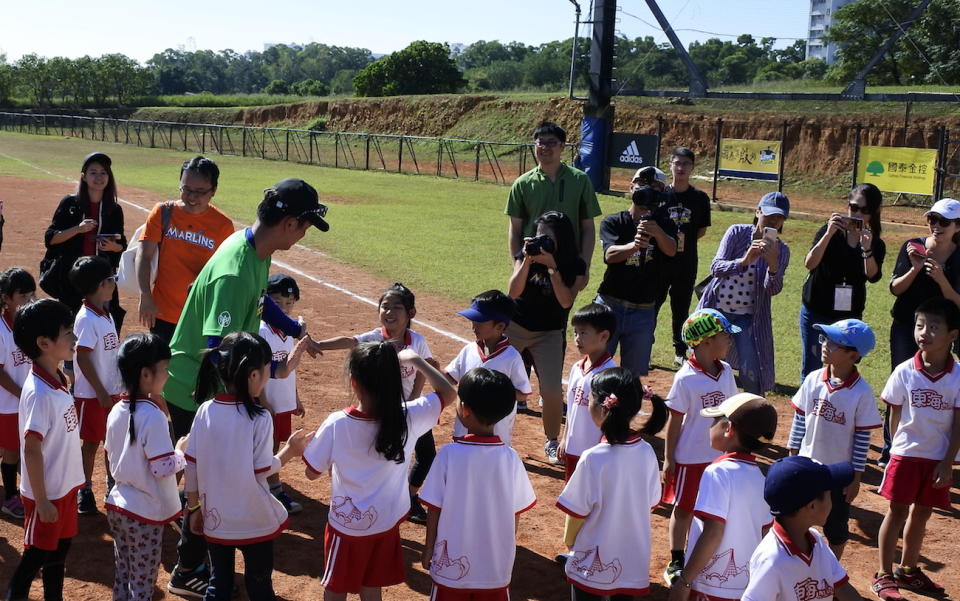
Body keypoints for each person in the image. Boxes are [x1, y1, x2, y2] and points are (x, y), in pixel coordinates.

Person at [163, 178, 327, 598]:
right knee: (208, 475)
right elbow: (214, 347)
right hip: (196, 387)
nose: (306, 233)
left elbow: (260, 301)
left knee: (217, 472)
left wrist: (292, 329)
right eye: (306, 225)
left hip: (223, 382)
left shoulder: (254, 250)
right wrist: (261, 377)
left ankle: (201, 555)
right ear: (289, 223)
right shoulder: (235, 270)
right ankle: (187, 567)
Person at [303, 343, 457, 601]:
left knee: (336, 588)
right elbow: (448, 393)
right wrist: (418, 361)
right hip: (385, 523)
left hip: (347, 527)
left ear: (354, 382)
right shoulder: (409, 416)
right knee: (371, 586)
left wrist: (299, 449)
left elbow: (311, 473)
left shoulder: (337, 423)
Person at [184, 332, 309, 601]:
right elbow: (263, 469)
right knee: (260, 586)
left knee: (219, 585)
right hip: (254, 520)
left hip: (215, 518)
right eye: (267, 370)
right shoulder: (260, 417)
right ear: (253, 375)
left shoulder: (205, 410)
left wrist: (194, 508)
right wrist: (291, 450)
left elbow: (191, 466)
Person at [312, 283, 439, 523]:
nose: (389, 312)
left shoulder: (417, 341)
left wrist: (413, 400)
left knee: (427, 455)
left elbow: (426, 366)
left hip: (409, 410)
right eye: (384, 307)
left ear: (410, 313)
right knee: (383, 455)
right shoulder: (372, 338)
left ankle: (410, 497)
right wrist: (319, 344)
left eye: (396, 308)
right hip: (379, 412)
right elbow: (350, 342)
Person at [419, 367, 537, 601]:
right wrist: (506, 553)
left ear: (465, 409)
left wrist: (429, 546)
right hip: (494, 568)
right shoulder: (510, 457)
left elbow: (434, 508)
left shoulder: (448, 454)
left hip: (449, 566)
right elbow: (516, 513)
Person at [872, 297, 960, 600]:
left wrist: (948, 462)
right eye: (920, 325)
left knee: (922, 514)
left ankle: (907, 570)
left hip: (937, 458)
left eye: (934, 326)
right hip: (906, 455)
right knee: (896, 512)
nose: (924, 332)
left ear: (952, 335)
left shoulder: (958, 376)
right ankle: (883, 574)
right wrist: (897, 448)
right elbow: (894, 414)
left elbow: (958, 423)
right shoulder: (904, 371)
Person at [556, 368, 668, 601]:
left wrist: (570, 544)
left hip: (591, 556)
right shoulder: (647, 452)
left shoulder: (593, 457)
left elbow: (576, 513)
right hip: (631, 559)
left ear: (602, 407)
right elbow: (651, 502)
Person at [5, 299, 84, 601]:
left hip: (64, 488)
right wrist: (41, 500)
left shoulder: (57, 377)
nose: (74, 338)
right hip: (47, 495)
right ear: (44, 343)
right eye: (68, 333)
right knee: (35, 557)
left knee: (59, 551)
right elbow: (31, 450)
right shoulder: (39, 393)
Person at [667, 393, 778, 601]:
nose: (710, 426)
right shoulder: (761, 476)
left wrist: (685, 581)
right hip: (745, 586)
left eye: (715, 420)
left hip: (710, 586)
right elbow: (764, 533)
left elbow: (714, 532)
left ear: (729, 429)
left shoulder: (717, 472)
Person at [787, 319, 880, 560]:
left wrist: (856, 477)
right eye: (825, 339)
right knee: (797, 519)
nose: (825, 345)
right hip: (807, 467)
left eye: (835, 343)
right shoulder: (813, 379)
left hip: (838, 476)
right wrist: (792, 454)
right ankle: (796, 568)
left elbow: (862, 438)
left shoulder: (861, 392)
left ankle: (829, 574)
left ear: (853, 355)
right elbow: (800, 418)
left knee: (835, 528)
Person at [661, 309, 741, 586]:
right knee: (684, 509)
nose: (729, 341)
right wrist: (669, 458)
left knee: (715, 509)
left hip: (720, 457)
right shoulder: (685, 378)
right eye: (724, 336)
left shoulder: (726, 371)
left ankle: (707, 555)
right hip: (690, 457)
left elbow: (732, 412)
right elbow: (675, 422)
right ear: (706, 342)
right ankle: (676, 559)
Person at [104, 333, 185, 601]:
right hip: (144, 514)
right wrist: (181, 453)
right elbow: (162, 468)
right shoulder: (152, 416)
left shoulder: (116, 410)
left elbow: (109, 453)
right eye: (165, 369)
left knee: (124, 574)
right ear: (145, 375)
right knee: (142, 584)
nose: (168, 375)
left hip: (118, 505)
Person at [883, 198, 960, 465]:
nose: (936, 226)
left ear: (957, 227)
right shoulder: (912, 247)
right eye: (932, 219)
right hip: (906, 327)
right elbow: (895, 289)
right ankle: (891, 447)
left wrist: (941, 279)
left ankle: (933, 449)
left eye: (944, 222)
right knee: (902, 384)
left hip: (942, 333)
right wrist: (915, 269)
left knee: (934, 390)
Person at [507, 210, 588, 464]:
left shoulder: (574, 264)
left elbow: (566, 301)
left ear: (562, 239)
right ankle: (490, 432)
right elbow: (513, 292)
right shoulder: (527, 255)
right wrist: (528, 261)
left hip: (549, 333)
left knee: (552, 390)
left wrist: (552, 267)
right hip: (516, 326)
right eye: (539, 235)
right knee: (498, 381)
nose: (542, 241)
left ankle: (552, 440)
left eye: (548, 237)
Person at [696, 192, 791, 394]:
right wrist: (744, 261)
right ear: (757, 212)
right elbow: (716, 268)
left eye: (779, 217)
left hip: (748, 319)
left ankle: (754, 413)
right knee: (705, 363)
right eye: (769, 215)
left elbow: (773, 289)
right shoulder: (737, 232)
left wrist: (773, 266)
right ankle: (700, 402)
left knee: (751, 371)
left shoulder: (782, 250)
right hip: (716, 312)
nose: (773, 220)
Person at [136, 156, 235, 343]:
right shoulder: (163, 212)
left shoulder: (223, 226)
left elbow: (223, 274)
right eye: (186, 189)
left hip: (200, 316)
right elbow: (143, 255)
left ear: (213, 190)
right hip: (163, 312)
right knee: (161, 369)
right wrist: (145, 296)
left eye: (200, 192)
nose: (191, 197)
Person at [742, 456, 862, 601]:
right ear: (812, 506)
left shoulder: (816, 541)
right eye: (829, 495)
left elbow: (842, 588)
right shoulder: (771, 560)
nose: (833, 501)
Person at [800, 183, 886, 378]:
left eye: (864, 210)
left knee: (843, 369)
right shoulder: (828, 231)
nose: (857, 214)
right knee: (812, 367)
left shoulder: (874, 243)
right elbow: (809, 263)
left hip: (848, 317)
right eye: (853, 207)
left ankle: (838, 407)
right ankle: (806, 408)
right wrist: (829, 233)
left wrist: (866, 249)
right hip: (817, 308)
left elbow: (872, 276)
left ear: (873, 213)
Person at [595, 185, 677, 377]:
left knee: (633, 375)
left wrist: (658, 233)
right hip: (611, 305)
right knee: (597, 367)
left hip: (644, 309)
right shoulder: (614, 221)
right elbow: (610, 255)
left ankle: (625, 406)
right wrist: (635, 245)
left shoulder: (663, 223)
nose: (646, 209)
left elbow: (672, 250)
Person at [41, 152, 127, 330]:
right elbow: (51, 239)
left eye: (104, 172)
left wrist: (114, 246)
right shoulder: (70, 204)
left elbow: (122, 245)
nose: (99, 177)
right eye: (93, 172)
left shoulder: (114, 209)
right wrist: (78, 229)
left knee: (106, 328)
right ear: (84, 176)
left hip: (103, 279)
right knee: (72, 331)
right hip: (73, 279)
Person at [505, 121, 602, 273]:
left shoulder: (580, 180)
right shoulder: (522, 183)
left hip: (568, 261)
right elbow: (515, 230)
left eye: (551, 142)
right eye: (540, 142)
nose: (545, 147)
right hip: (532, 260)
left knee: (564, 297)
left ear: (562, 146)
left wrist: (585, 265)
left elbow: (588, 228)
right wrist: (517, 266)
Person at [69, 256, 124, 515]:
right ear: (101, 284)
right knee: (91, 444)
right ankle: (85, 489)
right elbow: (82, 356)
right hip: (92, 395)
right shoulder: (87, 319)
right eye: (112, 280)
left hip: (110, 391)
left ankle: (112, 484)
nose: (115, 284)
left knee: (111, 441)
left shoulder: (104, 313)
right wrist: (101, 391)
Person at [444, 290, 532, 446]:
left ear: (499, 326)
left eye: (479, 322)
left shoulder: (511, 357)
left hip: (496, 437)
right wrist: (426, 368)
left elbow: (523, 394)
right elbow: (449, 377)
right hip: (463, 432)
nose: (473, 327)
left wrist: (491, 396)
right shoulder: (469, 350)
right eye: (473, 321)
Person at [258, 273, 309, 515]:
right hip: (267, 401)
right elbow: (260, 370)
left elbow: (290, 367)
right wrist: (263, 401)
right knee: (267, 445)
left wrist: (295, 398)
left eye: (289, 303)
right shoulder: (262, 331)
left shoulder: (291, 330)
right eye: (278, 303)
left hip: (282, 401)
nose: (285, 308)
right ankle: (274, 489)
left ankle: (264, 483)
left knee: (275, 442)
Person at [660, 147, 712, 366]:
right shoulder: (661, 195)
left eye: (685, 164)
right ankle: (644, 345)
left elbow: (700, 230)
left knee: (681, 307)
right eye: (677, 163)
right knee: (652, 303)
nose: (680, 168)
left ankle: (680, 350)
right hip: (661, 260)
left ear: (692, 167)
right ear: (670, 165)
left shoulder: (699, 198)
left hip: (686, 260)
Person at [557, 303, 618, 481]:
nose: (577, 338)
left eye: (583, 332)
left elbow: (612, 417)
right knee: (572, 496)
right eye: (575, 332)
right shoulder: (576, 368)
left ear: (604, 336)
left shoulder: (610, 373)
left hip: (595, 452)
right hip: (573, 448)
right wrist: (564, 438)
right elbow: (571, 410)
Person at [0, 267, 36, 519]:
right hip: (8, 403)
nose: (28, 302)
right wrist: (21, 392)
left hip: (24, 401)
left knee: (19, 446)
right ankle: (10, 498)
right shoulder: (1, 331)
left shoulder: (28, 325)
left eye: (31, 296)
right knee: (11, 450)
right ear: (6, 298)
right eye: (23, 297)